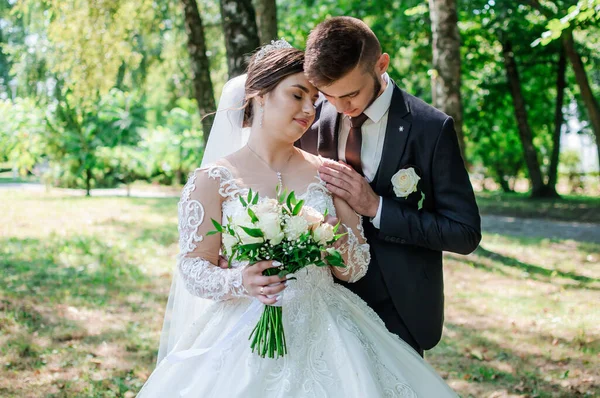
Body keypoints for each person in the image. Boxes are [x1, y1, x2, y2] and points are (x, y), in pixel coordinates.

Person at [137, 43, 457, 397]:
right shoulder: (212, 180)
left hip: (329, 328)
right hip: (241, 330)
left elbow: (355, 268)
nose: (310, 109)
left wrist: (331, 238)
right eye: (297, 95)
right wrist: (240, 280)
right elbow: (194, 268)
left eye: (315, 99)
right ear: (259, 94)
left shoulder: (330, 174)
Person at [298, 17, 481, 356]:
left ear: (381, 65)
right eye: (329, 95)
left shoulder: (430, 129)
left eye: (351, 93)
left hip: (398, 306)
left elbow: (464, 232)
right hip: (322, 302)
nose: (340, 107)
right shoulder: (310, 118)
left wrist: (376, 207)